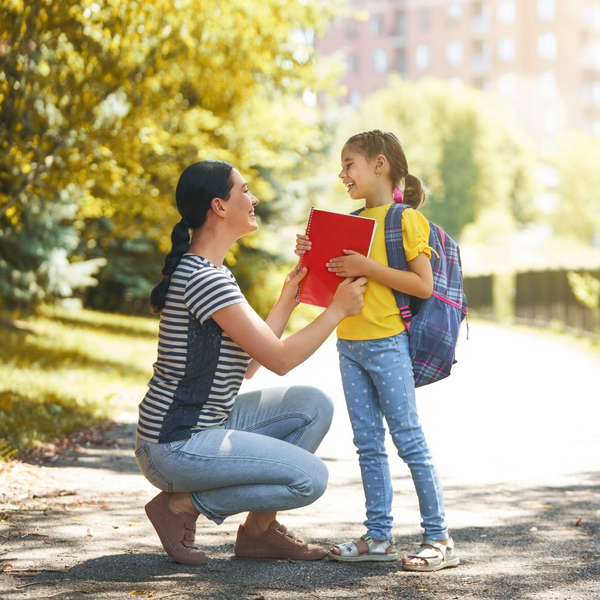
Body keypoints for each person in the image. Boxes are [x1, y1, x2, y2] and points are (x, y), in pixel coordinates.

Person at [136, 160, 367, 565]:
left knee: (312, 406)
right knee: (309, 478)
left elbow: (248, 366)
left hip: (204, 425)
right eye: (244, 190)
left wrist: (286, 301)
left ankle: (258, 533)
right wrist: (335, 311)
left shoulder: (212, 272)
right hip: (175, 443)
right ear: (219, 207)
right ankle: (181, 506)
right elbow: (278, 361)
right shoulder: (204, 278)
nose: (254, 197)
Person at [295, 130, 459, 571]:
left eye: (350, 164)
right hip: (348, 344)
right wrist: (309, 256)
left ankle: (439, 537)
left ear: (380, 164)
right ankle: (380, 536)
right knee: (367, 443)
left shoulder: (405, 220)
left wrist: (368, 266)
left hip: (387, 343)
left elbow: (421, 284)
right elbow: (324, 285)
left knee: (408, 439)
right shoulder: (348, 223)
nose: (342, 173)